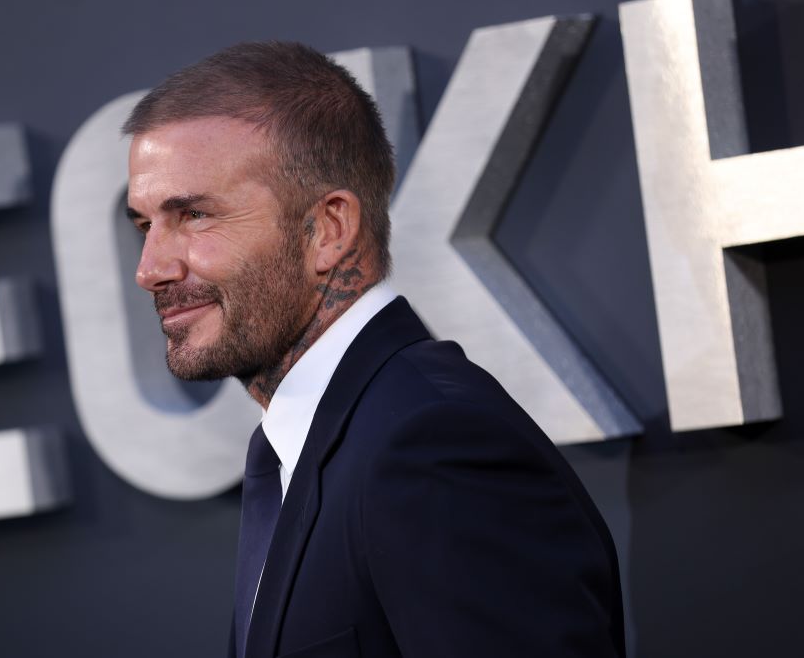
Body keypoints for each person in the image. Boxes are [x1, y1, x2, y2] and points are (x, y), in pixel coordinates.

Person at [123, 41, 625, 658]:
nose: (151, 269)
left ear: (328, 229)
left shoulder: (433, 441)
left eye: (195, 215)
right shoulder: (300, 449)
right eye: (146, 225)